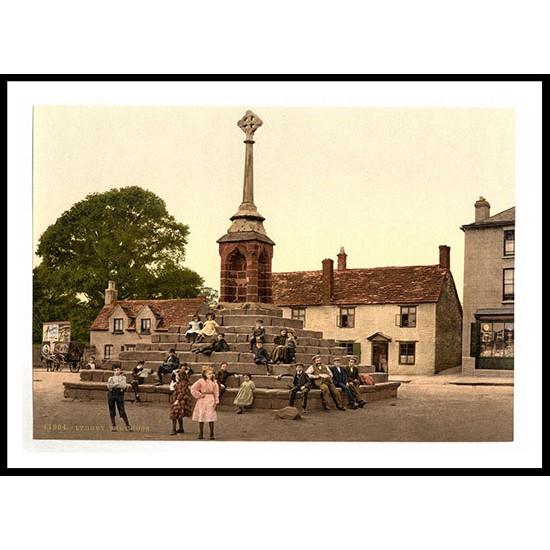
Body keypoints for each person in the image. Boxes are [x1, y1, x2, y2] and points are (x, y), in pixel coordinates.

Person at [190, 366, 220, 440]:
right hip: (202, 399)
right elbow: (193, 388)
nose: (211, 375)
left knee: (210, 416)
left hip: (210, 398)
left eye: (211, 374)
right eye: (209, 374)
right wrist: (199, 395)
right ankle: (201, 433)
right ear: (205, 374)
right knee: (201, 415)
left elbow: (216, 392)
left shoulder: (214, 382)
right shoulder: (201, 381)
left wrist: (216, 400)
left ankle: (212, 434)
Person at [107, 363, 132, 431]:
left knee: (122, 410)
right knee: (112, 409)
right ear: (113, 371)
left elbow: (123, 386)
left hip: (119, 394)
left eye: (118, 370)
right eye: (114, 370)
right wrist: (117, 384)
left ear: (120, 370)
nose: (116, 372)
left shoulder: (123, 377)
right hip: (111, 394)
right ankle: (114, 426)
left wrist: (114, 385)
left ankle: (128, 426)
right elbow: (109, 386)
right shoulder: (110, 378)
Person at [168, 368, 193, 435]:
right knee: (178, 414)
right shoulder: (181, 382)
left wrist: (177, 400)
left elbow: (181, 392)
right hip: (181, 399)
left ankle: (174, 429)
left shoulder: (182, 383)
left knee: (174, 413)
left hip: (181, 400)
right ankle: (181, 428)